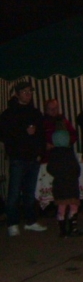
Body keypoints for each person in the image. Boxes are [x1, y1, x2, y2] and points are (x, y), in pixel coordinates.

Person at [0, 82, 47, 235]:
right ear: (18, 94)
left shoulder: (35, 112)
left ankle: (30, 221)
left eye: (30, 92)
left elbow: (42, 134)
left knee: (29, 192)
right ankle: (12, 223)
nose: (28, 94)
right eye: (25, 92)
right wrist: (24, 132)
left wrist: (40, 152)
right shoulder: (8, 114)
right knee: (14, 193)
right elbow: (5, 135)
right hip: (18, 158)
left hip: (33, 158)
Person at [47, 130, 83, 237]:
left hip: (59, 184)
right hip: (71, 184)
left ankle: (63, 231)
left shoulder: (53, 154)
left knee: (61, 207)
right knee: (73, 206)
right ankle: (73, 228)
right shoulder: (69, 152)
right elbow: (77, 169)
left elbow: (50, 168)